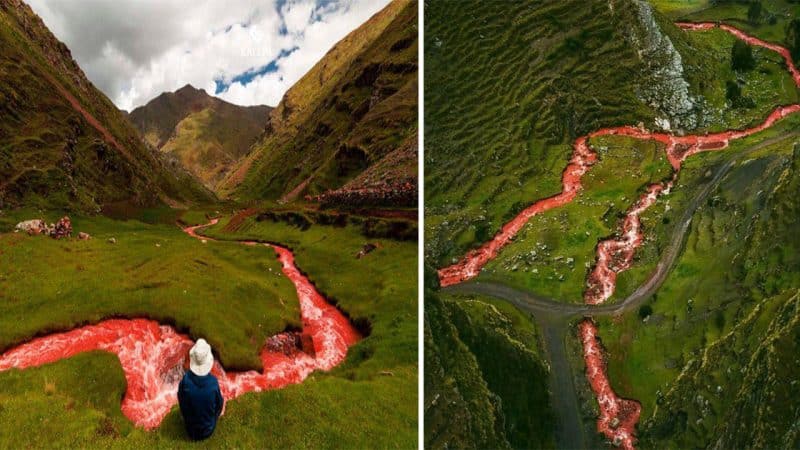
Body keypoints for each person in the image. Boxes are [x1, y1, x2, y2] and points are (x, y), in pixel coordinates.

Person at [178, 339, 224, 440]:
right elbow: (219, 406)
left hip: (190, 430)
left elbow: (181, 400)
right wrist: (214, 417)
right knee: (220, 398)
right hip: (208, 430)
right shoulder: (213, 382)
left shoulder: (185, 380)